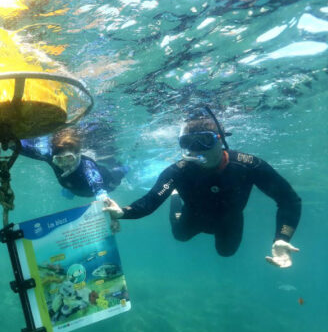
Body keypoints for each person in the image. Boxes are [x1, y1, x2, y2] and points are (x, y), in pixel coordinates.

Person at [103, 108, 301, 265]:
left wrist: (282, 238)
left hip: (230, 219)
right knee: (179, 236)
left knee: (227, 253)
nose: (198, 151)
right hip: (193, 215)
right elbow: (150, 201)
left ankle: (177, 197)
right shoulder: (177, 172)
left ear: (221, 139)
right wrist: (122, 212)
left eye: (206, 141)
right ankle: (175, 199)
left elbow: (289, 200)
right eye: (189, 143)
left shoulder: (247, 165)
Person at [19, 127, 128, 199]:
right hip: (75, 189)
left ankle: (125, 168)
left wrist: (103, 198)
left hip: (108, 183)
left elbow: (97, 186)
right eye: (59, 160)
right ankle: (70, 190)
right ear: (54, 158)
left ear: (77, 155)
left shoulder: (87, 166)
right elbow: (25, 148)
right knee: (68, 193)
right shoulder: (51, 158)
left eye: (69, 158)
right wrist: (10, 142)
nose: (65, 165)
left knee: (118, 174)